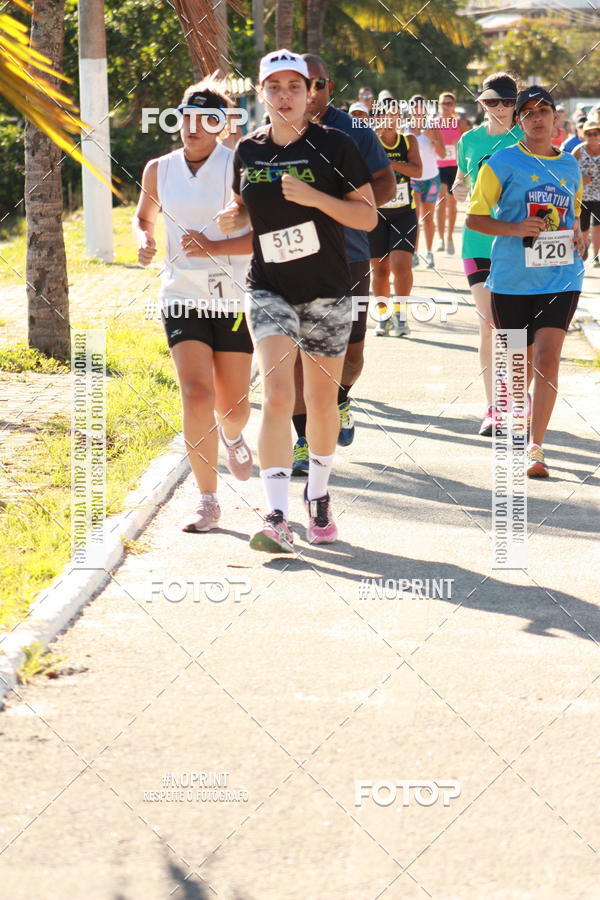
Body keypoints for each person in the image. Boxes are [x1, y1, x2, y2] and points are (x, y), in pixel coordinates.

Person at [219, 49, 376, 551]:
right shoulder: (249, 150)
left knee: (323, 401)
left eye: (294, 86)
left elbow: (368, 218)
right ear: (261, 94)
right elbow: (245, 206)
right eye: (274, 87)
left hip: (329, 289)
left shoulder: (336, 145)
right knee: (279, 394)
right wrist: (233, 215)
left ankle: (320, 495)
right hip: (268, 287)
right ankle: (276, 515)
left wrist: (317, 199)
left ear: (310, 92)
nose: (284, 96)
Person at [134, 81, 254, 532]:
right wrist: (144, 239)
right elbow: (144, 217)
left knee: (233, 405)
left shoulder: (239, 164)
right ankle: (207, 500)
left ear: (222, 127)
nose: (192, 127)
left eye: (206, 119)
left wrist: (212, 245)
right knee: (196, 393)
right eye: (185, 117)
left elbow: (258, 232)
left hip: (233, 297)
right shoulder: (158, 169)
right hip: (181, 297)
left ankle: (234, 434)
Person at [466, 85, 586, 478]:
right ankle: (518, 421)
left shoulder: (571, 164)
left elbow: (574, 217)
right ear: (519, 121)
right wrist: (515, 228)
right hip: (511, 279)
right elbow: (475, 218)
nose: (537, 118)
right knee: (517, 367)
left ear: (556, 118)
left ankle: (537, 447)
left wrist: (580, 234)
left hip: (560, 276)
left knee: (548, 360)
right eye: (528, 113)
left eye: (543, 111)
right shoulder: (500, 162)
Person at [288, 52, 395, 472]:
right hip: (293, 259)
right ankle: (301, 438)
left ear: (329, 87)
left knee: (350, 353)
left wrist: (351, 207)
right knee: (297, 352)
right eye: (300, 83)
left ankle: (341, 398)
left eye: (317, 83)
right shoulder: (275, 133)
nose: (308, 92)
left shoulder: (354, 131)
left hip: (349, 255)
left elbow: (385, 182)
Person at [453, 72, 523, 437]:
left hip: (516, 244)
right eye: (491, 102)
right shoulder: (469, 140)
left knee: (514, 329)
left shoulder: (527, 140)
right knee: (490, 324)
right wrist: (457, 189)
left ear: (516, 105)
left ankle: (516, 401)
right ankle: (495, 407)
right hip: (478, 242)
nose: (499, 109)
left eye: (507, 102)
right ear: (481, 103)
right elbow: (461, 181)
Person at [369, 99, 422, 337]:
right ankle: (383, 316)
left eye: (394, 115)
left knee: (401, 265)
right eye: (384, 116)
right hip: (377, 213)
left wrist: (389, 162)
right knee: (379, 270)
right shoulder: (370, 142)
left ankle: (400, 314)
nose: (389, 120)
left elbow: (417, 171)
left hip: (404, 213)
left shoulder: (408, 140)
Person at [408, 95, 445, 269]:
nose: (418, 110)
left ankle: (429, 253)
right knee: (413, 218)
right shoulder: (404, 128)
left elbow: (443, 154)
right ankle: (413, 253)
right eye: (414, 107)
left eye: (420, 107)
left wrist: (434, 140)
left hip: (431, 178)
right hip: (412, 178)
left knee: (428, 218)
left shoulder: (433, 127)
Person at [435, 91, 467, 255]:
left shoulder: (458, 123)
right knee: (441, 201)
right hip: (438, 166)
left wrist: (458, 145)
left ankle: (449, 237)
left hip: (454, 167)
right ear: (438, 105)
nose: (447, 107)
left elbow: (468, 143)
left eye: (450, 103)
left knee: (452, 204)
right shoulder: (433, 123)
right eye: (444, 103)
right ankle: (440, 237)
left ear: (454, 106)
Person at [573, 112, 600, 266]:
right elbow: (567, 171)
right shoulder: (578, 150)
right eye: (588, 134)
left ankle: (596, 256)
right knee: (583, 228)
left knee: (598, 226)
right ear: (584, 135)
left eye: (595, 133)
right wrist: (580, 180)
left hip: (599, 195)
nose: (592, 136)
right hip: (582, 196)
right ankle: (582, 253)